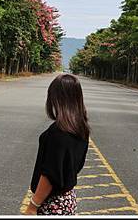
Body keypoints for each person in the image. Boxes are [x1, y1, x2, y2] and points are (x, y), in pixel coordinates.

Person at [24, 73, 90, 215]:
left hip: (51, 204)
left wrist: (33, 206)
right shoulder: (80, 128)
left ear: (57, 98)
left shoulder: (58, 132)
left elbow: (50, 175)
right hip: (67, 199)